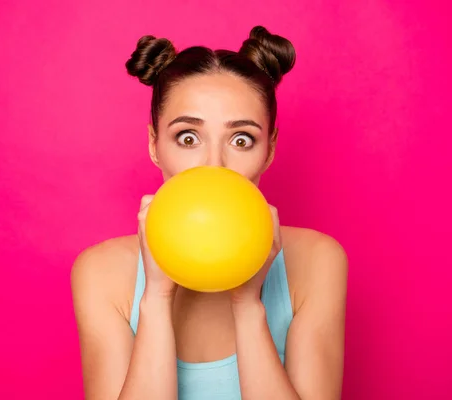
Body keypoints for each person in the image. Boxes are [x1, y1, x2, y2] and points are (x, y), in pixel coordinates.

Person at [71, 26, 348, 400]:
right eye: (188, 137)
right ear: (155, 145)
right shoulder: (101, 272)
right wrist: (155, 298)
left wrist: (247, 304)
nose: (214, 166)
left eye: (241, 139)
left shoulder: (316, 261)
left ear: (269, 149)